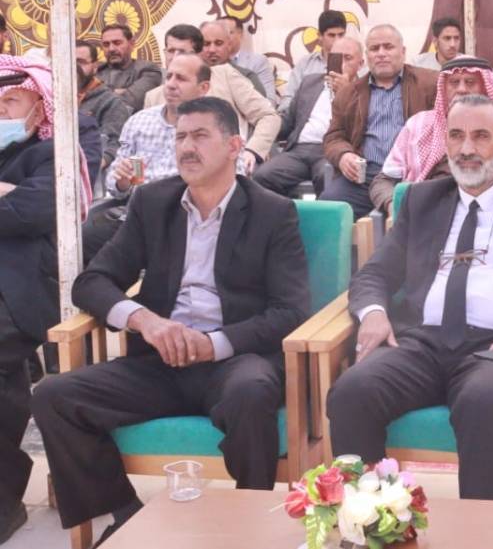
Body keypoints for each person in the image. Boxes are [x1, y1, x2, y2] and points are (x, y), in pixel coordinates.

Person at [33, 96, 309, 543]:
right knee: (54, 396)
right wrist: (145, 321)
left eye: (200, 136)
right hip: (159, 359)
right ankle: (126, 517)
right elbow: (92, 282)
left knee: (252, 392)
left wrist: (213, 343)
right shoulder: (152, 202)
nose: (186, 148)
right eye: (180, 137)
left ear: (234, 145)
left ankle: (249, 525)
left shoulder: (272, 212)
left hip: (234, 360)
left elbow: (290, 311)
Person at [325, 93, 493, 500]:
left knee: (483, 401)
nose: (467, 149)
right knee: (351, 391)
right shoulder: (422, 199)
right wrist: (374, 313)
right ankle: (372, 518)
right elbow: (374, 273)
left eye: (480, 136)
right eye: (456, 136)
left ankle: (476, 529)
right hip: (420, 344)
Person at [0, 55, 98, 543]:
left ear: (40, 107)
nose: (1, 111)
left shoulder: (51, 152)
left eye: (10, 101)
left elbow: (35, 211)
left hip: (21, 289)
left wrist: (13, 198)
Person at [83, 54, 232, 262]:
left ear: (203, 88)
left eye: (181, 78)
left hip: (187, 217)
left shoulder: (218, 127)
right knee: (83, 235)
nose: (171, 84)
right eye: (169, 76)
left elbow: (235, 180)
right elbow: (115, 183)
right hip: (136, 215)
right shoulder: (139, 121)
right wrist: (122, 182)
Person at [370, 56, 493, 211]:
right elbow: (383, 181)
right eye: (454, 82)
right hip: (428, 210)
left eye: (470, 82)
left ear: (485, 87)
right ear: (444, 88)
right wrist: (394, 205)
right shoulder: (418, 125)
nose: (461, 89)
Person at [321, 25, 438, 218]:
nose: (381, 53)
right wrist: (344, 155)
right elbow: (334, 136)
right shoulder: (349, 93)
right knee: (329, 209)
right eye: (375, 49)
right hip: (365, 176)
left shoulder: (430, 84)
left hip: (415, 173)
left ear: (403, 51)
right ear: (367, 56)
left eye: (388, 47)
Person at [144, 24, 281, 174]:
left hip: (229, 166)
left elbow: (268, 116)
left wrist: (252, 151)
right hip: (172, 172)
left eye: (182, 52)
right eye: (170, 51)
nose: (175, 57)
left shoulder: (225, 76)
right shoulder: (154, 96)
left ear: (198, 54)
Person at [252, 36, 364, 197]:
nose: (341, 63)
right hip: (298, 151)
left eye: (348, 58)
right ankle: (285, 213)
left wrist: (346, 93)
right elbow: (287, 122)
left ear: (360, 64)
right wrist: (262, 124)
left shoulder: (364, 91)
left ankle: (322, 215)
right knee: (262, 176)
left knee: (327, 179)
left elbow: (360, 130)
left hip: (332, 152)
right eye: (336, 57)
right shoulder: (310, 82)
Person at [76, 40, 130, 169]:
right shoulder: (48, 97)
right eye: (67, 62)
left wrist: (91, 167)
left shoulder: (110, 102)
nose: (74, 68)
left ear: (95, 66)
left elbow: (115, 144)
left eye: (80, 62)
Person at [281, 9, 348, 110]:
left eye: (341, 35)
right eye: (331, 35)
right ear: (320, 36)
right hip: (308, 117)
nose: (337, 40)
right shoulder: (305, 64)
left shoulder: (354, 62)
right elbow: (288, 98)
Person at [96, 23, 162, 111]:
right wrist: (120, 91)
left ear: (132, 44)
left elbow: (131, 102)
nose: (111, 49)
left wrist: (99, 94)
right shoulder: (95, 71)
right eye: (106, 44)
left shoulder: (148, 70)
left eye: (117, 43)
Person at [200, 21, 269, 98]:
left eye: (218, 43)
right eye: (206, 44)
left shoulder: (246, 77)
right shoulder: (193, 78)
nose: (212, 50)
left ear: (229, 45)